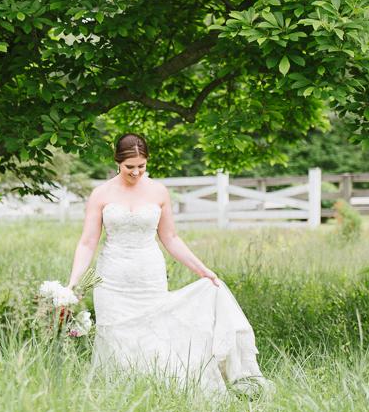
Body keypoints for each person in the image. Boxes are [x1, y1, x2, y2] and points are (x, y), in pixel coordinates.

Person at [68, 133, 265, 394]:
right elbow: (87, 242)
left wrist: (202, 270)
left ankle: (158, 390)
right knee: (115, 337)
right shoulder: (101, 193)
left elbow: (170, 238)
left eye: (142, 166)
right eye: (130, 167)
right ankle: (119, 393)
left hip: (149, 276)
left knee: (154, 333)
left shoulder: (158, 191)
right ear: (117, 162)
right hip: (112, 278)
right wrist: (73, 284)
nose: (136, 172)